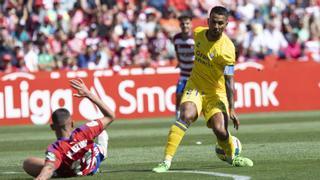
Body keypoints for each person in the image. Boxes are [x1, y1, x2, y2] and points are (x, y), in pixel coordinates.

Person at [152, 6, 253, 173]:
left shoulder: (227, 50)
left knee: (220, 130)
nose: (216, 26)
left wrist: (232, 108)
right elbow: (179, 36)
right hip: (195, 87)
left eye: (221, 23)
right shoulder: (198, 33)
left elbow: (229, 80)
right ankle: (166, 162)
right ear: (208, 21)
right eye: (213, 22)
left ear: (226, 24)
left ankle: (232, 157)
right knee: (186, 115)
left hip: (216, 93)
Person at [23, 78, 115, 179]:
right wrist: (88, 94)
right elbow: (110, 116)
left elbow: (48, 168)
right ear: (72, 123)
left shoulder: (56, 149)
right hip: (92, 166)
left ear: (52, 127)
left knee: (28, 163)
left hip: (69, 171)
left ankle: (58, 172)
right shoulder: (84, 131)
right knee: (101, 133)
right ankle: (101, 151)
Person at [173, 14, 195, 120]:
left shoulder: (195, 37)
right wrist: (179, 61)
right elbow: (177, 51)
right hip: (184, 74)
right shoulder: (176, 38)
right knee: (178, 94)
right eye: (182, 23)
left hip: (195, 74)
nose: (185, 26)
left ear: (191, 24)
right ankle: (177, 115)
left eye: (187, 23)